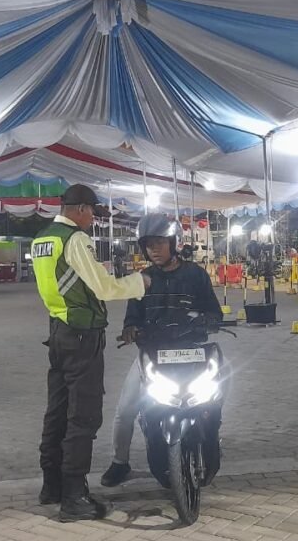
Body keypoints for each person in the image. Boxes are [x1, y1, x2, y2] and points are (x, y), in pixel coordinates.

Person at [32, 184, 150, 522]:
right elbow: (103, 287)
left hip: (58, 331)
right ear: (81, 209)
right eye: (93, 214)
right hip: (82, 335)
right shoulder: (74, 239)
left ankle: (51, 485)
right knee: (83, 415)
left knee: (57, 411)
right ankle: (74, 497)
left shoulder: (42, 239)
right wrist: (140, 283)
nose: (93, 221)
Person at [101, 214, 224, 488]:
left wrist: (209, 320)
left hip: (193, 352)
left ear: (174, 243)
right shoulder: (141, 280)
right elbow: (132, 317)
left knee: (216, 392)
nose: (153, 249)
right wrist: (131, 329)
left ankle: (211, 438)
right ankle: (120, 462)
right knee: (125, 410)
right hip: (154, 354)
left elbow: (214, 311)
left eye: (159, 243)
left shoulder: (196, 275)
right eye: (148, 244)